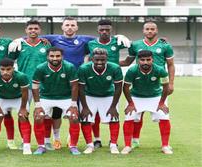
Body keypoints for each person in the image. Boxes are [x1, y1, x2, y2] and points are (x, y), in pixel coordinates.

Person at [9, 17, 130, 150]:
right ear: (62, 27)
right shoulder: (53, 39)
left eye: (73, 25)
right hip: (51, 81)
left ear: (77, 27)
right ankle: (49, 139)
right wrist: (18, 39)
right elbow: (33, 34)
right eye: (67, 25)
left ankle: (74, 140)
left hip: (76, 81)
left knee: (77, 112)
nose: (70, 27)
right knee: (47, 112)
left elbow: (102, 37)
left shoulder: (85, 40)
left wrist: (117, 36)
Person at [120, 21, 175, 149]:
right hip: (138, 84)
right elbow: (127, 62)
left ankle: (165, 145)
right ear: (143, 31)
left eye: (152, 29)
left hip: (158, 84)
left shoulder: (165, 45)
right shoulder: (135, 45)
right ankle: (135, 140)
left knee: (163, 114)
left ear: (157, 31)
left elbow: (170, 65)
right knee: (137, 115)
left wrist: (171, 83)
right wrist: (109, 62)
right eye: (147, 29)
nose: (150, 31)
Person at [8, 19, 52, 149]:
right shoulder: (19, 45)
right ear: (26, 30)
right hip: (24, 85)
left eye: (36, 29)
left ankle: (46, 141)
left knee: (45, 114)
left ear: (40, 30)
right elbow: (9, 63)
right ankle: (24, 140)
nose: (33, 31)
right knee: (23, 113)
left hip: (43, 85)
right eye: (30, 29)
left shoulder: (46, 45)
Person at [86, 19, 128, 148]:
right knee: (96, 114)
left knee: (113, 112)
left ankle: (112, 141)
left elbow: (135, 48)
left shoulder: (117, 41)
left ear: (111, 30)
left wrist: (122, 63)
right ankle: (97, 139)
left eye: (107, 30)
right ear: (98, 31)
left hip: (112, 80)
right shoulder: (90, 43)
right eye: (102, 30)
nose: (104, 32)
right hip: (95, 80)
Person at [32, 47, 80, 155]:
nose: (55, 58)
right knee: (38, 117)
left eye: (58, 56)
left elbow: (74, 87)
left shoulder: (69, 67)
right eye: (52, 56)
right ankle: (41, 146)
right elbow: (35, 87)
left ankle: (73, 146)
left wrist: (73, 104)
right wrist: (37, 105)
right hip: (46, 97)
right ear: (47, 57)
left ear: (62, 56)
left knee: (74, 117)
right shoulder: (40, 68)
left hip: (65, 97)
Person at [78, 48, 123, 154]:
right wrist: (84, 107)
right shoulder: (83, 68)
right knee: (86, 119)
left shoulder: (115, 68)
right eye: (97, 59)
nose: (99, 62)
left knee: (114, 118)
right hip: (89, 95)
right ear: (91, 59)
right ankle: (89, 145)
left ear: (107, 58)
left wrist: (113, 106)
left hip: (108, 95)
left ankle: (113, 145)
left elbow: (118, 88)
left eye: (102, 60)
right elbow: (81, 89)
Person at [0, 58, 32, 155]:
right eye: (2, 69)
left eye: (8, 69)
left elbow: (25, 93)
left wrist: (23, 108)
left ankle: (27, 146)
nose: (5, 72)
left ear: (13, 68)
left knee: (23, 117)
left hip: (18, 98)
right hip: (2, 98)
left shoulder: (21, 76)